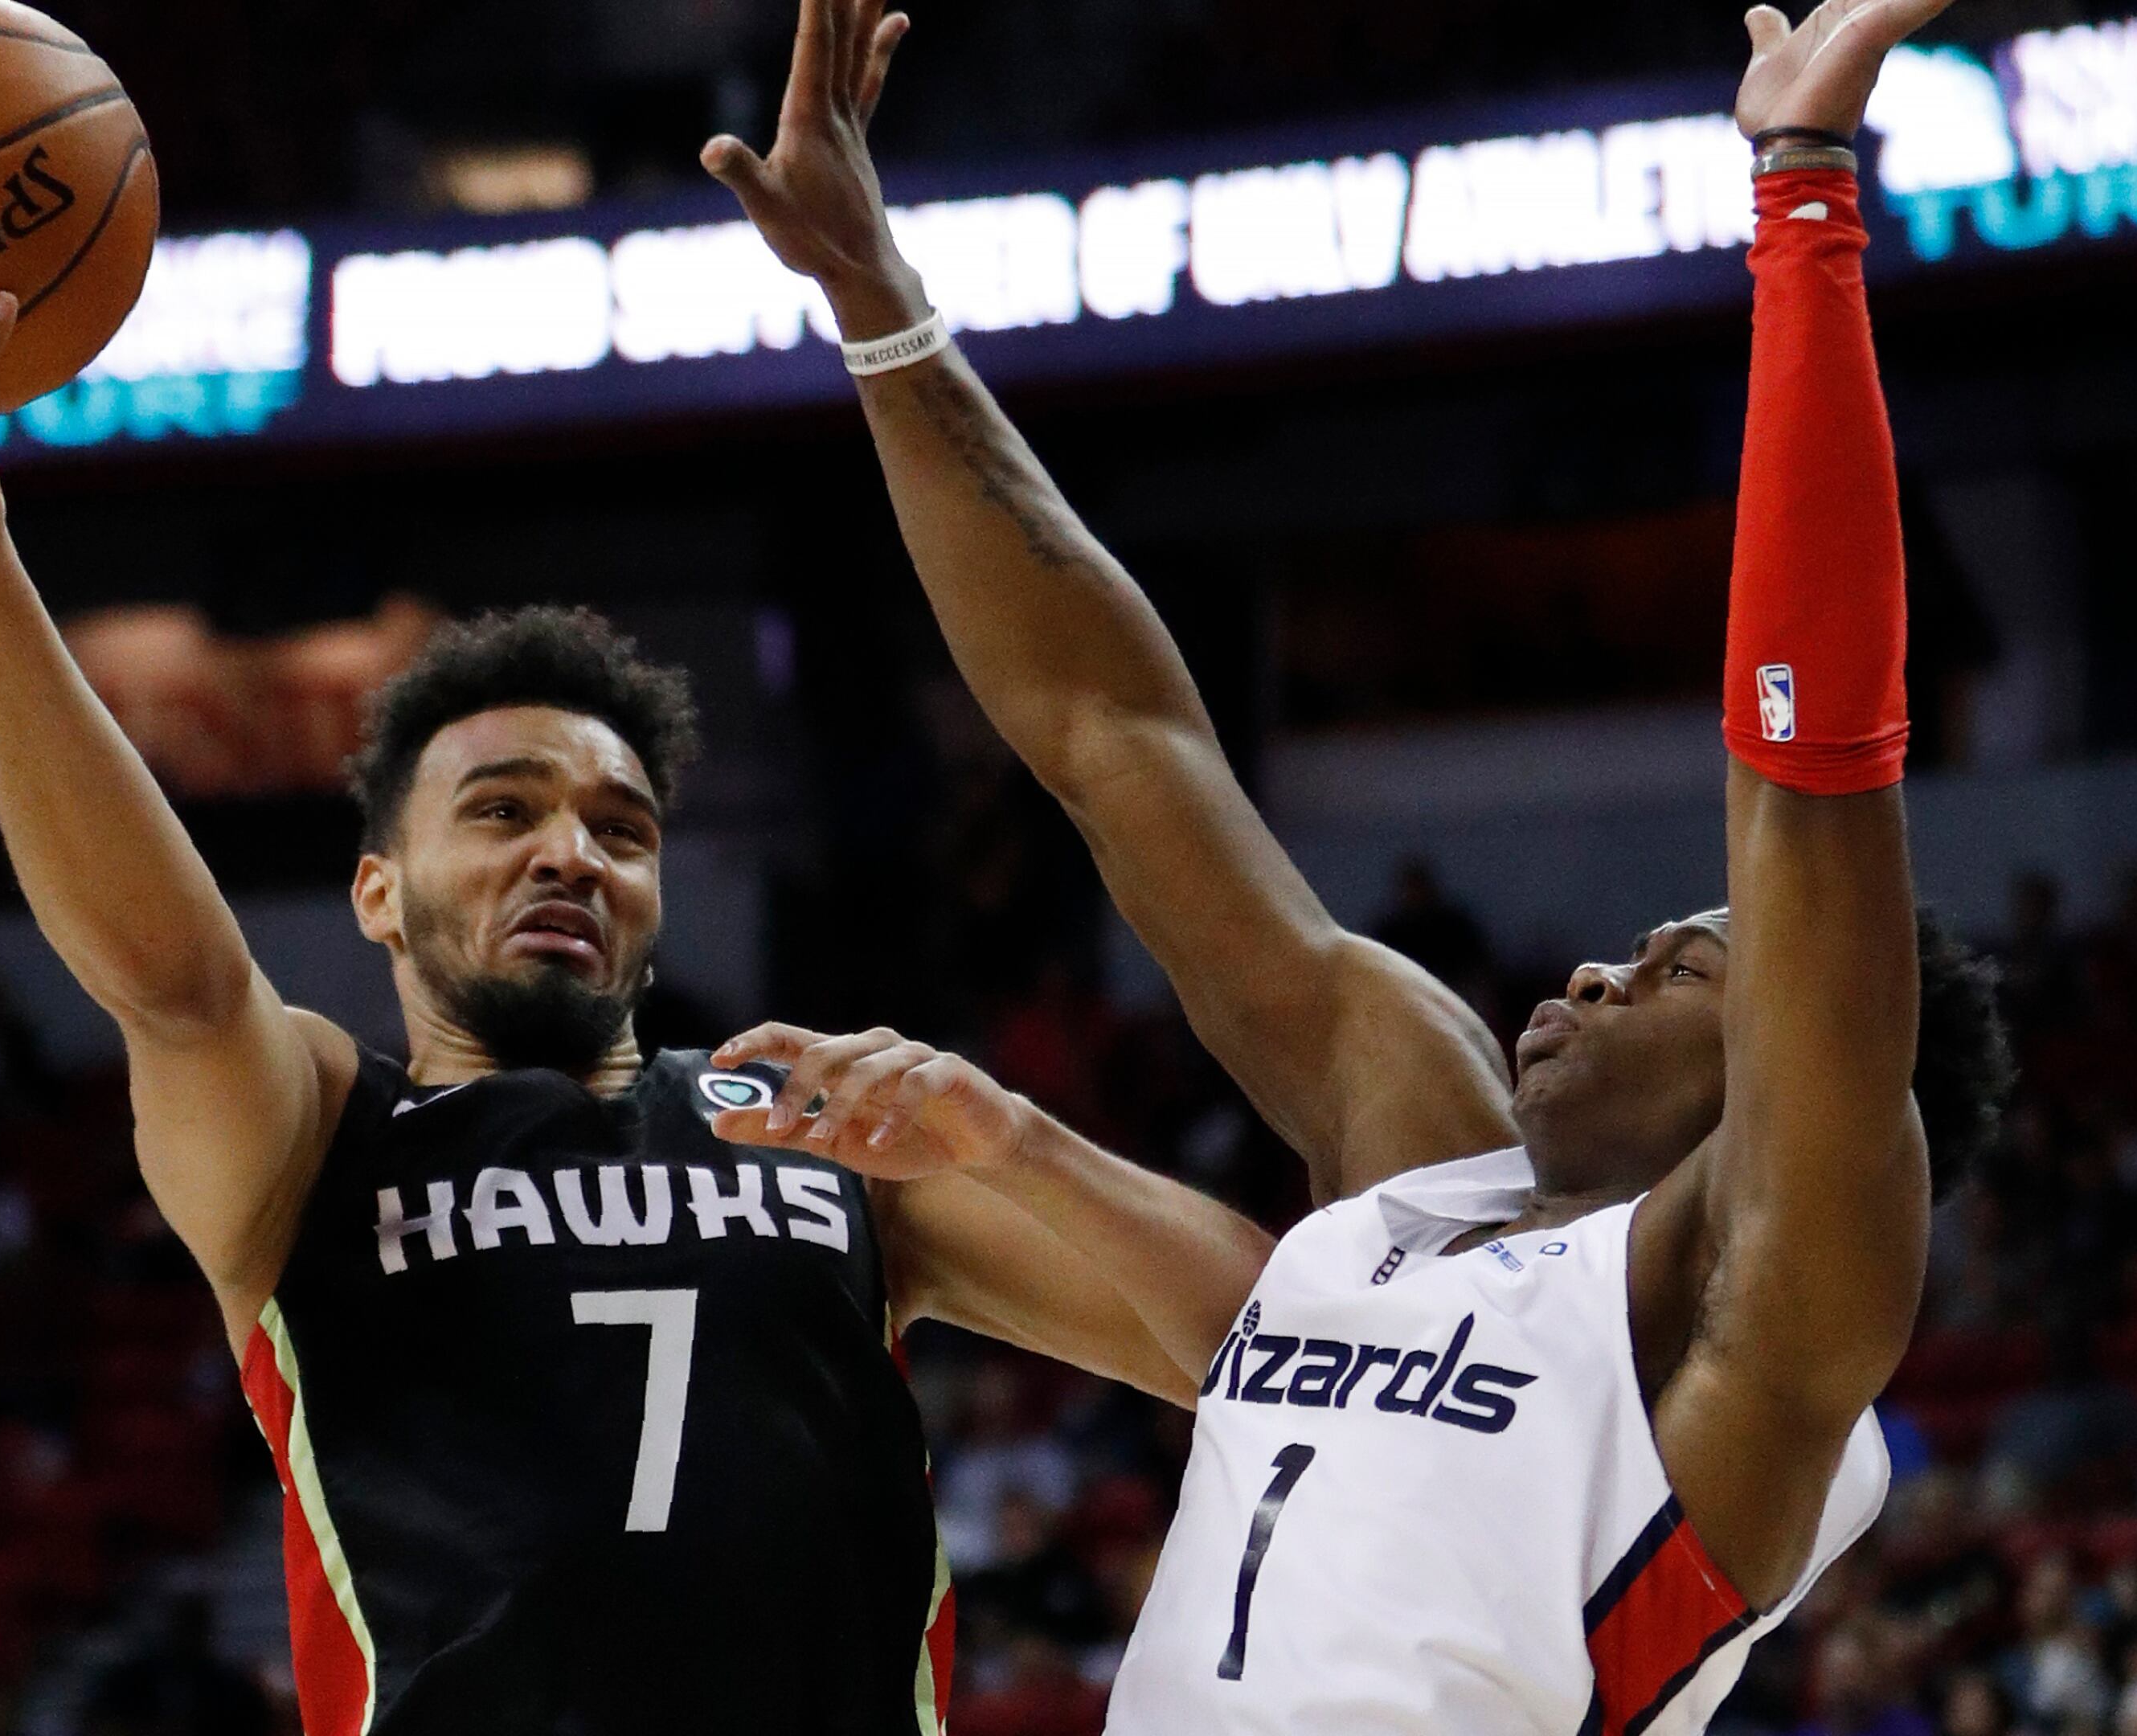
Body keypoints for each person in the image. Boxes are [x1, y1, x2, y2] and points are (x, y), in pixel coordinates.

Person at [0, 223, 1275, 1735]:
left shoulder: (808, 1136)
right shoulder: (324, 1133)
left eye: (621, 828)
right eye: (503, 811)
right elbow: (177, 987)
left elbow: (1272, 1358)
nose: (571, 855)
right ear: (377, 896)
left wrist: (1020, 1143)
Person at [702, 0, 2015, 1730]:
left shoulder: (1757, 1333)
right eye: (1635, 948)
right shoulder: (1416, 1172)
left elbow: (1814, 787)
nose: (1601, 974)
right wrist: (878, 306)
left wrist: (1806, 202)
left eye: (1689, 970)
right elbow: (1118, 740)